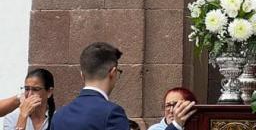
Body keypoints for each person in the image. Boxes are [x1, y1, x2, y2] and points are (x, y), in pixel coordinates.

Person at [53, 42, 195, 130]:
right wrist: (176, 125)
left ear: (82, 75)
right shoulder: (111, 113)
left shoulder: (59, 116)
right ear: (113, 73)